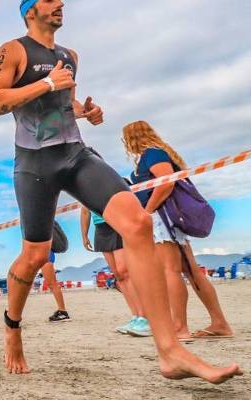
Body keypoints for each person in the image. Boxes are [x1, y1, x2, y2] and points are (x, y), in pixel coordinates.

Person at [0, 0, 240, 382]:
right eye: (50, 0)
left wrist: (85, 111)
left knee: (137, 223)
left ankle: (169, 351)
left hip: (75, 154)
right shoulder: (14, 50)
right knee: (34, 257)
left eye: (61, 0)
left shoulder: (70, 57)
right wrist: (48, 83)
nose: (60, 5)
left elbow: (61, 106)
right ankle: (12, 327)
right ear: (30, 11)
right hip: (34, 163)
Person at [123, 120, 234, 341]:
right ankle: (219, 322)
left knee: (171, 271)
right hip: (166, 218)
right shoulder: (159, 152)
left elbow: (165, 183)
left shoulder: (152, 154)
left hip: (163, 218)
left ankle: (179, 327)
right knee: (190, 271)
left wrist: (147, 211)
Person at [81, 205, 150, 336]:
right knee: (118, 275)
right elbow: (85, 210)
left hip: (116, 222)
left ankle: (145, 317)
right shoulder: (81, 186)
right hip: (100, 228)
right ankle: (135, 317)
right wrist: (84, 235)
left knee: (124, 270)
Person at [41, 249, 69, 322]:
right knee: (51, 284)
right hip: (42, 253)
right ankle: (62, 311)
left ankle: (63, 312)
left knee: (52, 283)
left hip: (44, 253)